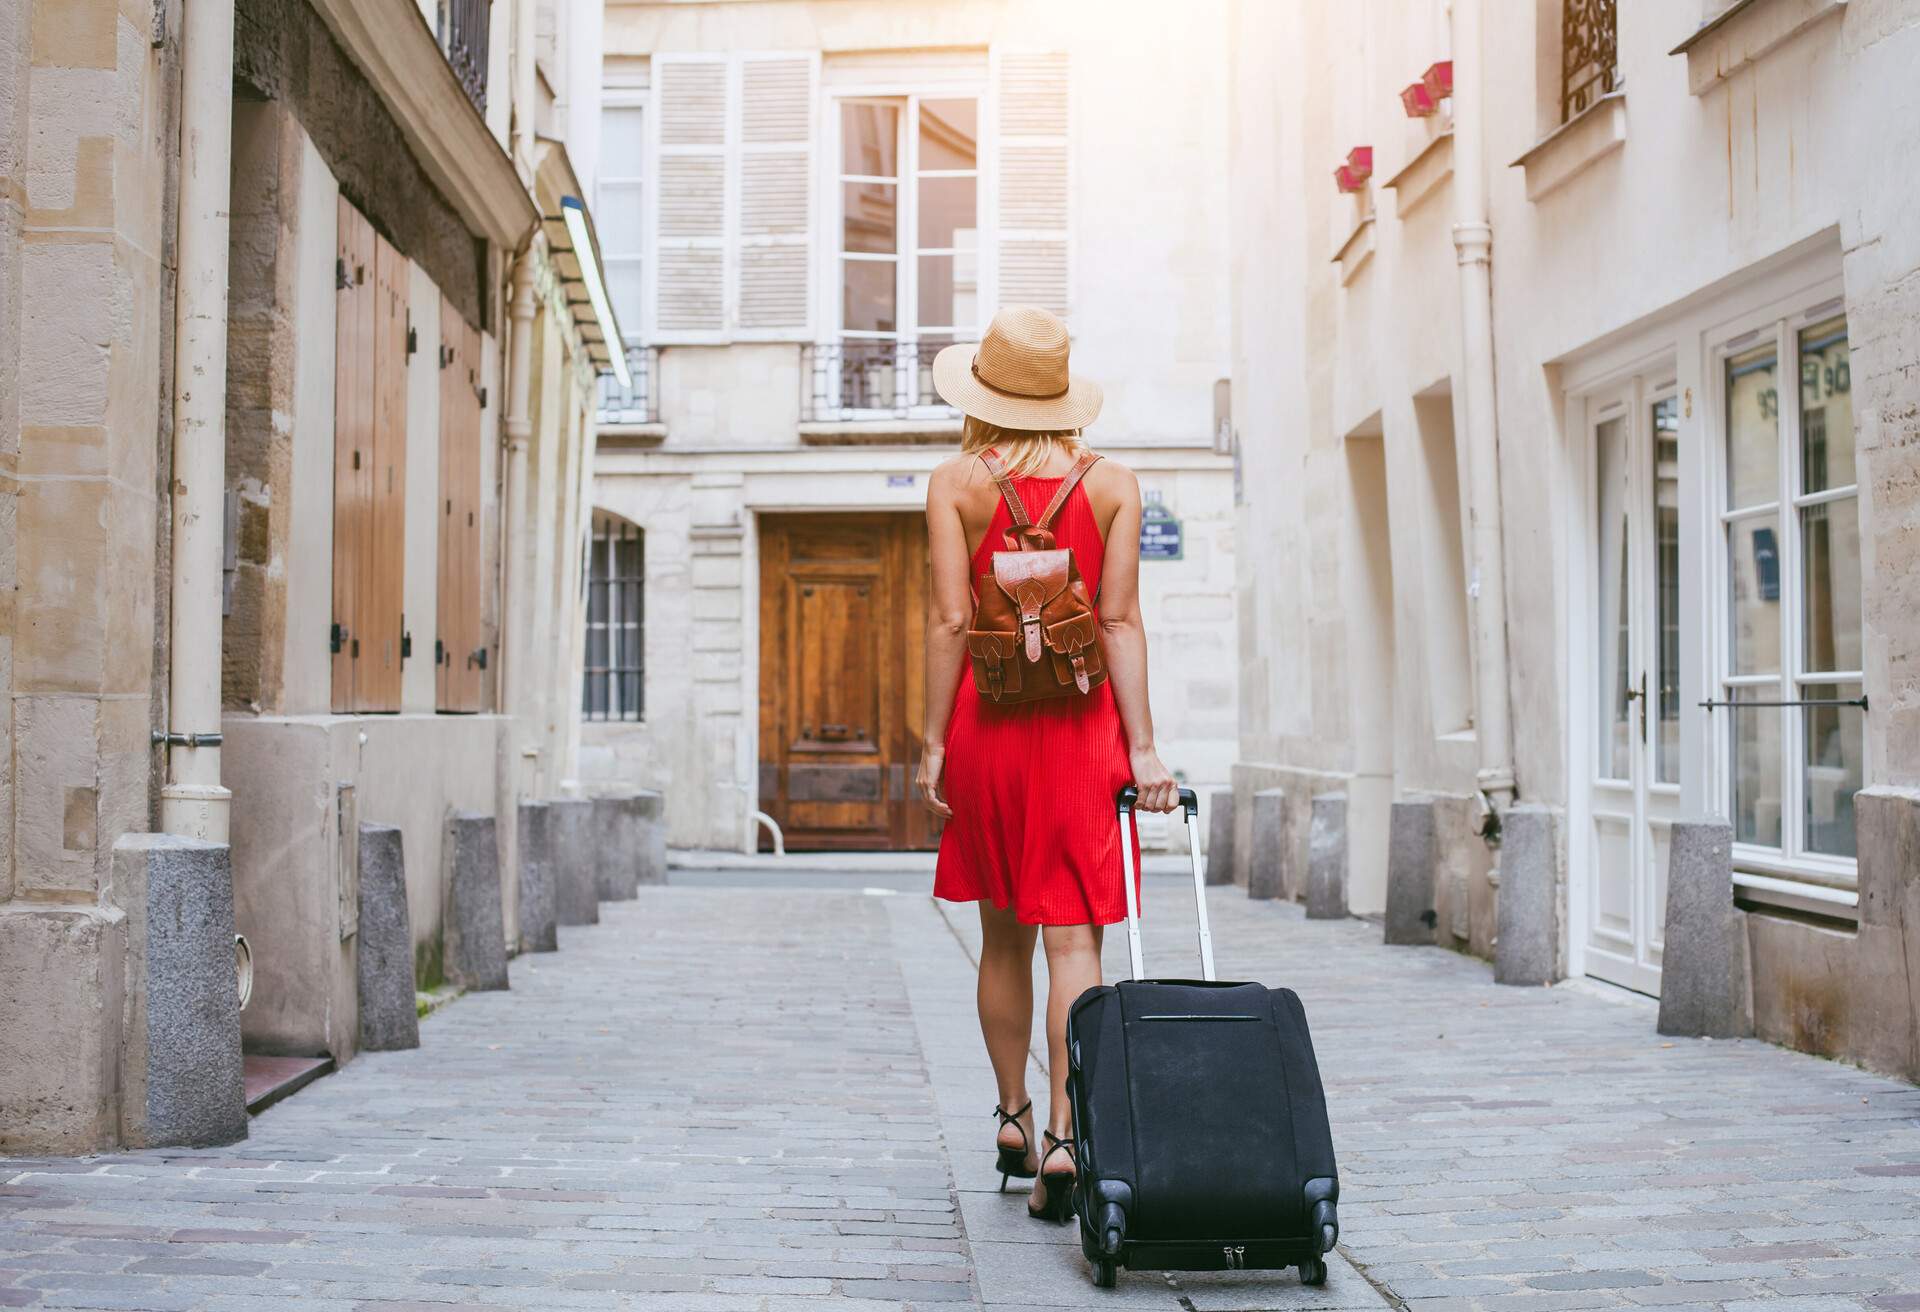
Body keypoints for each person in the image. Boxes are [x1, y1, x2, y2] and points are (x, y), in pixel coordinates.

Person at [915, 306, 1180, 1224]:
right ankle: (1070, 1135)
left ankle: (1013, 1117)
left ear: (983, 395)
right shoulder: (1113, 482)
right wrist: (1143, 748)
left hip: (990, 731)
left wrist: (935, 744)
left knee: (1002, 940)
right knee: (1077, 943)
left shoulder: (954, 481)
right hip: (1082, 737)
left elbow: (950, 621)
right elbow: (1118, 622)